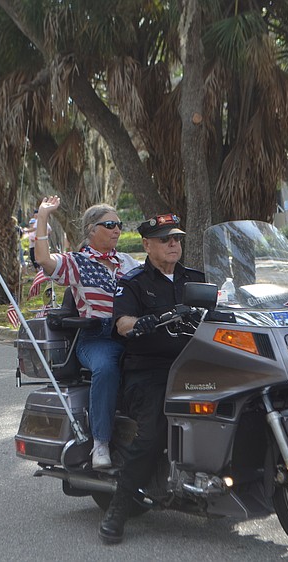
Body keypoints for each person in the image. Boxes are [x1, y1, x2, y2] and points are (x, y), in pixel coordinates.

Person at [97, 213, 205, 544]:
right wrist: (143, 322)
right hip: (151, 369)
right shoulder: (133, 283)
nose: (174, 244)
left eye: (177, 239)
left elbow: (224, 309)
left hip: (196, 363)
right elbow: (122, 323)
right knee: (155, 427)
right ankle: (119, 506)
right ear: (146, 244)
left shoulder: (196, 278)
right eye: (164, 239)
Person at [34, 195, 140, 469]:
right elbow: (44, 260)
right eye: (110, 224)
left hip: (132, 331)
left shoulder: (128, 262)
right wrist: (44, 215)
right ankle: (101, 443)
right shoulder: (77, 263)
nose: (117, 229)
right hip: (96, 336)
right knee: (105, 368)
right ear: (92, 230)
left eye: (119, 224)